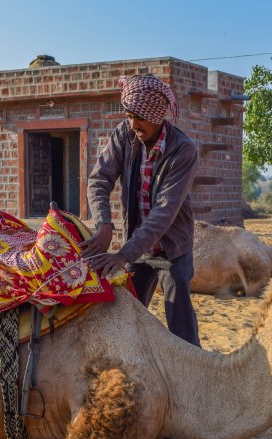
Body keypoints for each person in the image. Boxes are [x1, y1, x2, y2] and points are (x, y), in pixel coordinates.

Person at [83, 73, 201, 346]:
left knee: (180, 325)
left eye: (140, 117)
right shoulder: (124, 134)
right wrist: (104, 223)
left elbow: (164, 211)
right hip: (138, 246)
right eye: (129, 115)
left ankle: (192, 374)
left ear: (158, 115)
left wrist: (123, 254)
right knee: (127, 315)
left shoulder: (183, 150)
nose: (133, 124)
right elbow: (99, 179)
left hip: (173, 249)